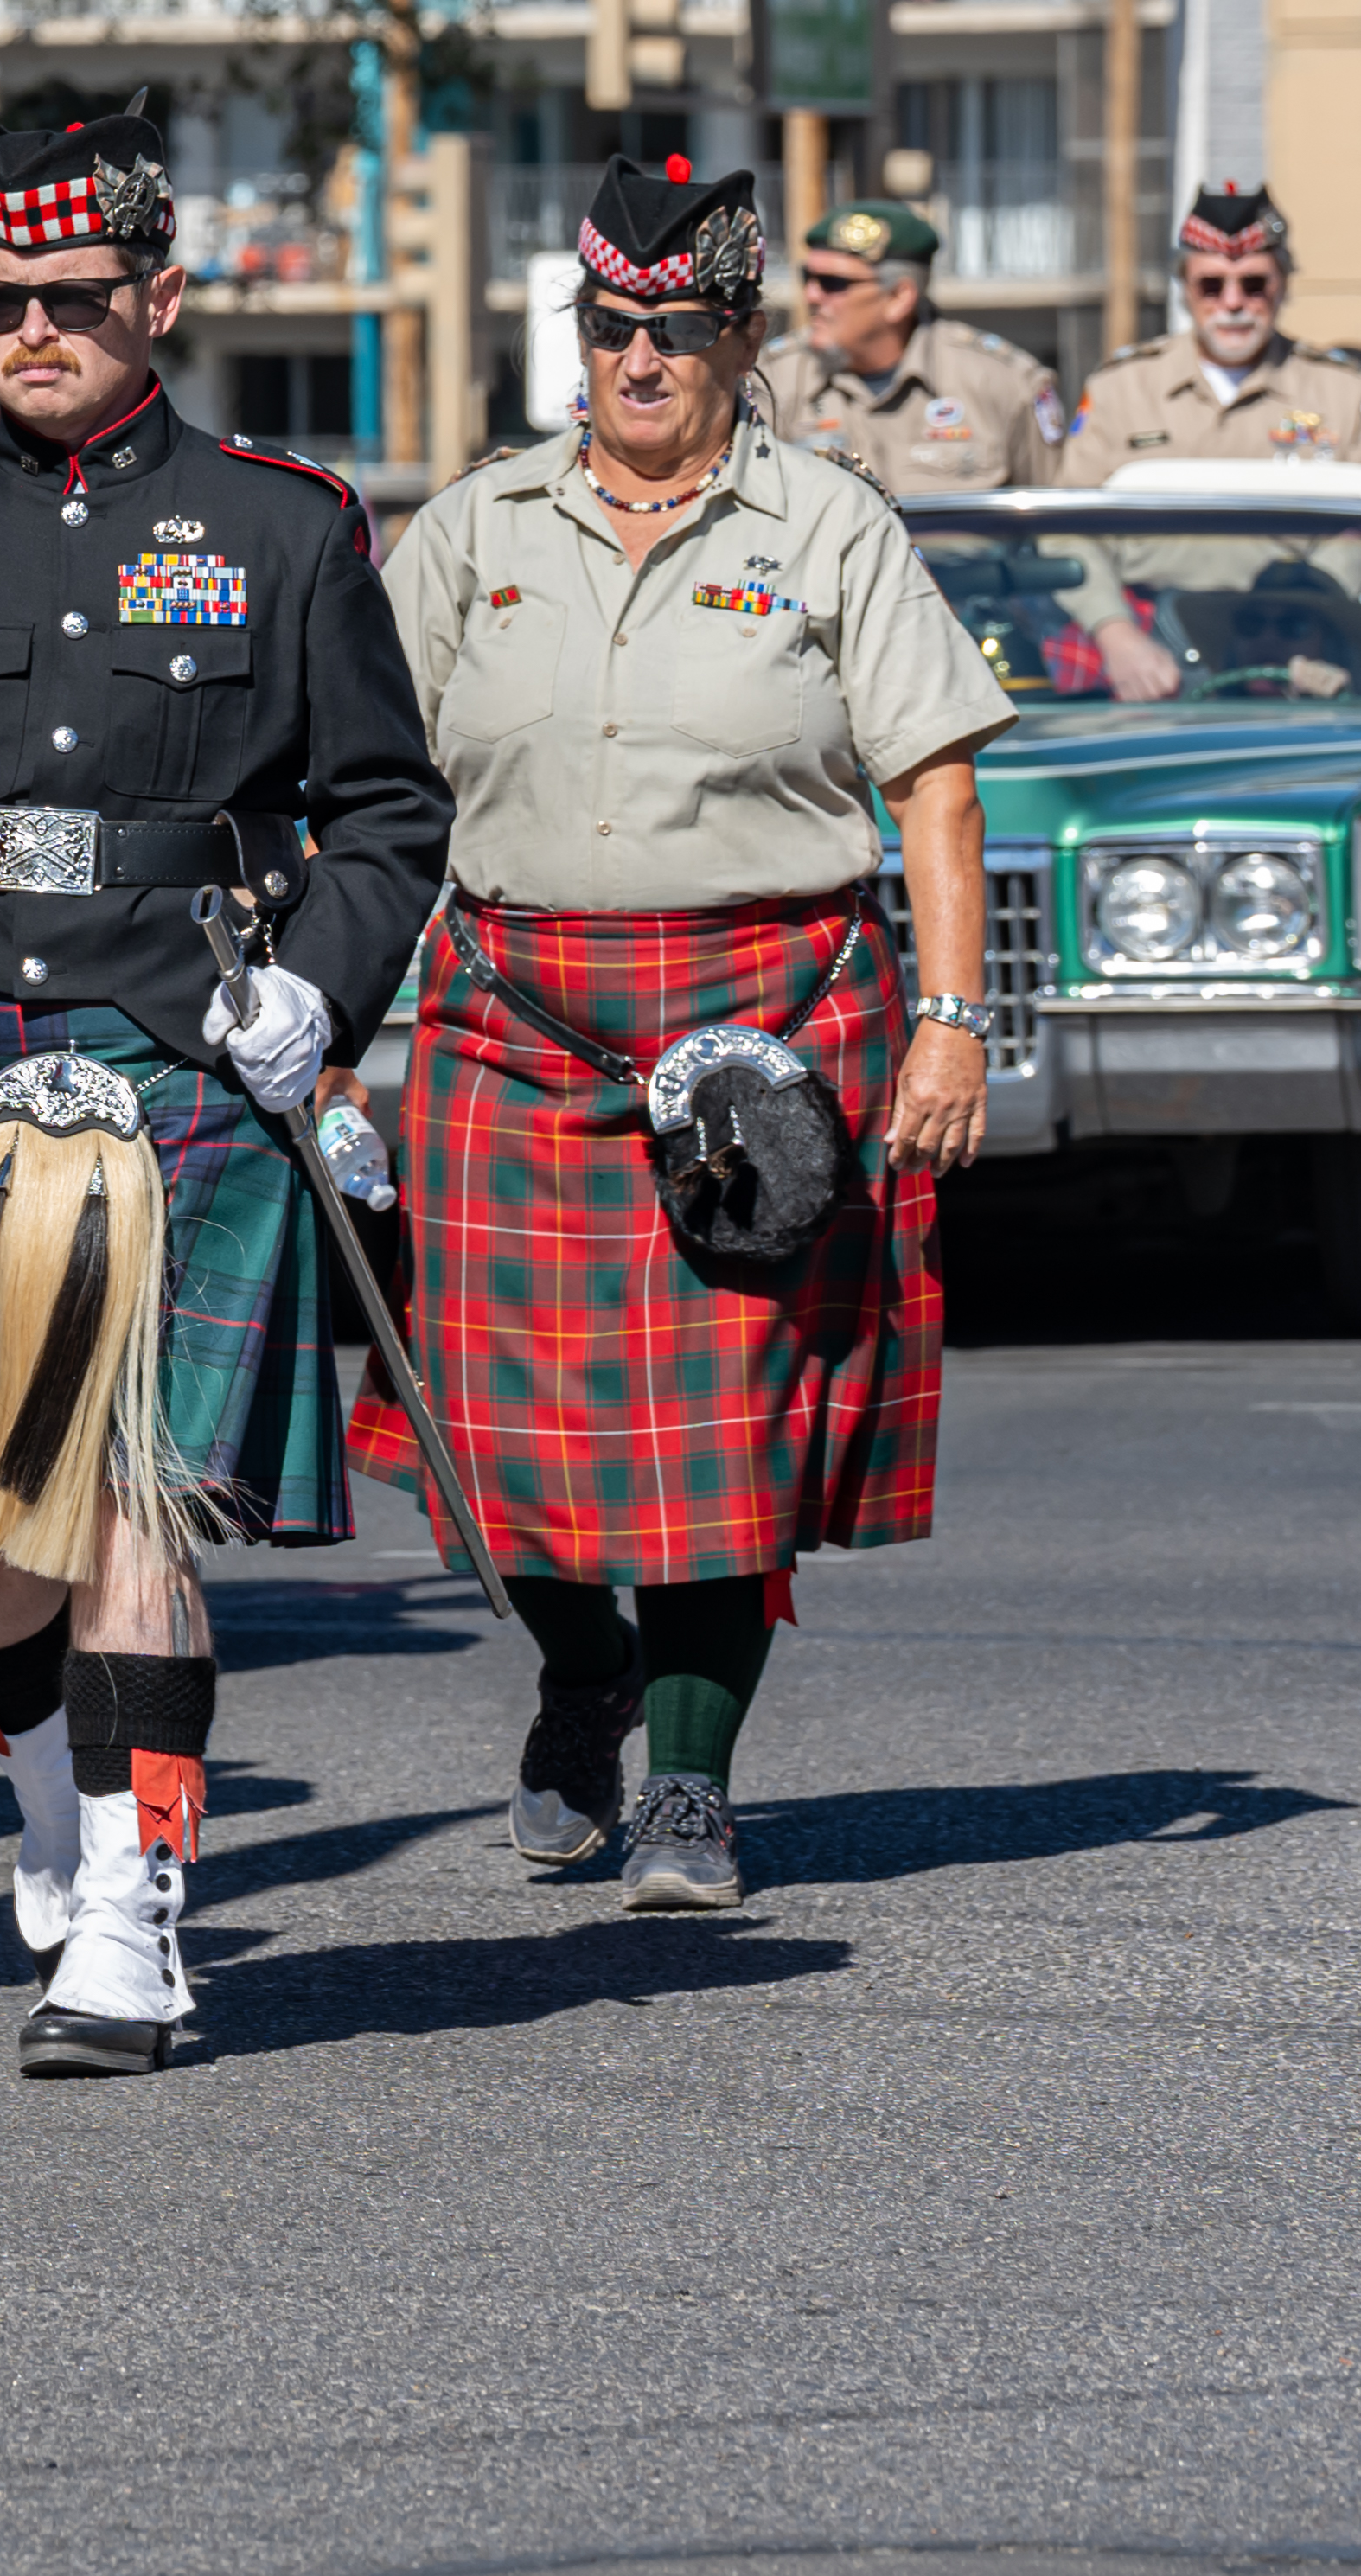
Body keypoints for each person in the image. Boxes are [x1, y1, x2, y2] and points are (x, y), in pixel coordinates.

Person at [0, 103, 449, 2075]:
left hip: (181, 1037)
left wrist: (315, 991)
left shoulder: (278, 521)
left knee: (130, 1502)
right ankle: (46, 1813)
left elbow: (387, 813)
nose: (32, 330)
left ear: (157, 293)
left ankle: (137, 1914)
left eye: (72, 298)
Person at [380, 155, 1008, 1915]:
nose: (635, 361)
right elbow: (356, 782)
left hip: (758, 1031)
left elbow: (935, 787)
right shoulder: (473, 528)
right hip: (505, 1021)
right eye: (607, 329)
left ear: (738, 338)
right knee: (494, 1434)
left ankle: (684, 1787)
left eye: (670, 331)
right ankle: (578, 1665)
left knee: (716, 1436)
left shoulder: (826, 525)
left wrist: (947, 1024)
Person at [1052, 184, 1361, 480]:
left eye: (1254, 284)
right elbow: (1075, 529)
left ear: (1283, 286)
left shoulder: (1342, 394)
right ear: (1185, 290)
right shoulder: (1121, 391)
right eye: (1211, 286)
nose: (1233, 303)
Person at [750, 198, 1056, 495]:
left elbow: (1054, 525)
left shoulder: (1001, 382)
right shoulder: (770, 382)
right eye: (808, 278)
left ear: (899, 297)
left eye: (833, 283)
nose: (812, 295)